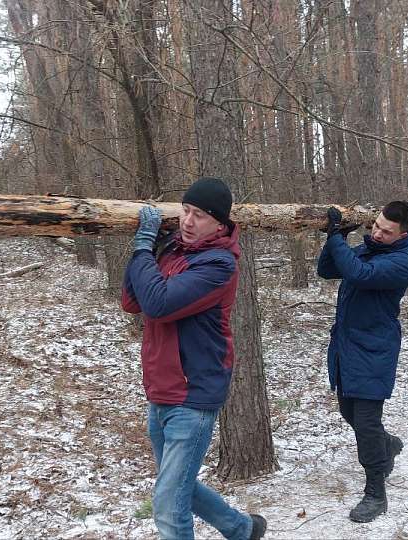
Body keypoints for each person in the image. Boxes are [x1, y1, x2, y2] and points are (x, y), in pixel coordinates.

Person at [121, 176, 267, 540]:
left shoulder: (219, 265)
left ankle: (240, 529)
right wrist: (150, 249)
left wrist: (142, 249)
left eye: (199, 215)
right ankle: (242, 529)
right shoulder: (174, 249)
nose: (187, 221)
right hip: (161, 389)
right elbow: (131, 301)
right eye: (185, 211)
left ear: (220, 223)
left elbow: (158, 303)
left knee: (169, 506)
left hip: (193, 394)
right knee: (177, 484)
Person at [316, 201, 408, 523]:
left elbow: (358, 275)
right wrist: (338, 238)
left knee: (367, 422)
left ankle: (376, 492)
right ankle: (387, 445)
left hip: (375, 349)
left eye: (386, 231)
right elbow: (327, 269)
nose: (377, 232)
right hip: (348, 346)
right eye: (375, 225)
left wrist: (336, 237)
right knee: (350, 413)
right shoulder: (369, 248)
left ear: (403, 234)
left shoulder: (400, 262)